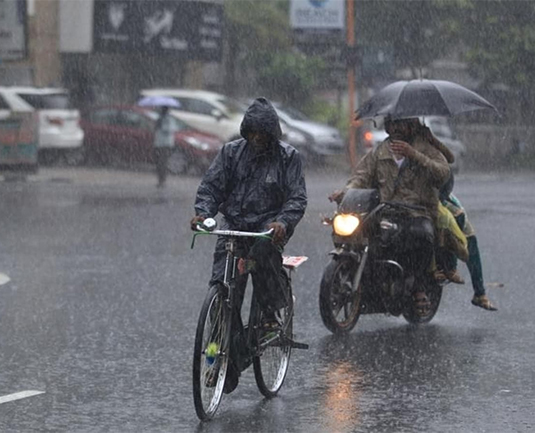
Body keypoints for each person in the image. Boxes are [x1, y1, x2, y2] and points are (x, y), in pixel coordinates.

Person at [190, 97, 307, 392]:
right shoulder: (231, 153)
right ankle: (218, 359)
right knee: (223, 296)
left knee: (262, 255)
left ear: (271, 133)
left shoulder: (287, 157)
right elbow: (212, 187)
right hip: (233, 229)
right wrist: (203, 212)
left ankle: (271, 312)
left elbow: (296, 198)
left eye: (262, 134)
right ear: (245, 131)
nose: (256, 139)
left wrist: (282, 222)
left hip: (267, 231)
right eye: (251, 132)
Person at [329, 116, 450, 308]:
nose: (396, 128)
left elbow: (443, 174)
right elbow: (361, 176)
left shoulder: (425, 148)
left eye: (401, 123)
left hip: (417, 212)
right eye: (393, 123)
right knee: (359, 234)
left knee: (422, 236)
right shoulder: (381, 151)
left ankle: (419, 287)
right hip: (385, 211)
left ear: (412, 126)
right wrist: (345, 193)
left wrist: (414, 155)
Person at [436, 163, 498, 311]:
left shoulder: (434, 156)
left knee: (466, 233)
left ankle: (477, 290)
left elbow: (444, 179)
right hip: (403, 199)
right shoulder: (387, 152)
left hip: (432, 200)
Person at [153, 106, 175, 187]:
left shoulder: (168, 119)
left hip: (165, 144)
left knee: (163, 162)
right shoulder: (160, 118)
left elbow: (169, 129)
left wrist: (160, 125)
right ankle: (160, 179)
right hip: (158, 143)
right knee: (159, 162)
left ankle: (162, 180)